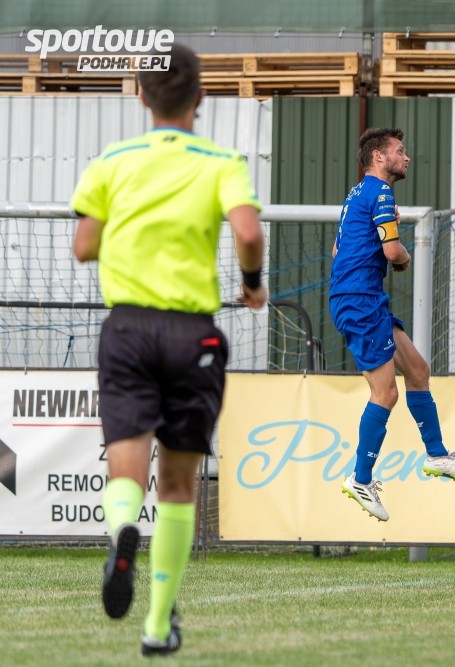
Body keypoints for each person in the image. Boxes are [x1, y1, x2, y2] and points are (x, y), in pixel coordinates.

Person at [71, 44, 268, 657]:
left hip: (127, 328)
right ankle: (158, 627)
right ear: (200, 97)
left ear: (141, 95)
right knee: (179, 486)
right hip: (192, 334)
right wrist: (253, 283)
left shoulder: (112, 160)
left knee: (124, 470)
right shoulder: (221, 162)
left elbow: (82, 246)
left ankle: (122, 530)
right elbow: (248, 232)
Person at [330, 127, 455, 522]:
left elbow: (337, 248)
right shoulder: (380, 192)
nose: (407, 157)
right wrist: (404, 258)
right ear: (379, 157)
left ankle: (437, 455)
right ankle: (361, 479)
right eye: (400, 150)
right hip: (359, 301)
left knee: (418, 369)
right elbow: (393, 251)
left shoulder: (357, 194)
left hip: (362, 299)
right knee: (385, 394)